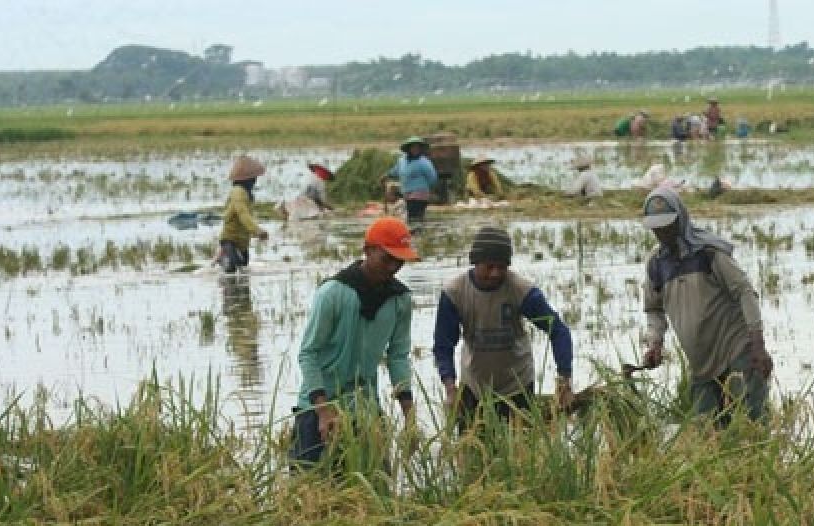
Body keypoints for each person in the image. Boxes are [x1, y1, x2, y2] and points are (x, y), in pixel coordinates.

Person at [290, 217, 419, 467]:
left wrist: (409, 416)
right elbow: (309, 353)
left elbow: (398, 356)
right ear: (368, 250)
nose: (393, 267)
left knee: (377, 488)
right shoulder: (333, 293)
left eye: (399, 261)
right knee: (310, 489)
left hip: (365, 408)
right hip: (318, 408)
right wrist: (323, 410)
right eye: (386, 258)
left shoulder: (400, 300)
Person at [639, 187, 773, 424]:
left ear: (680, 220)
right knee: (706, 433)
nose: (662, 232)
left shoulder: (709, 253)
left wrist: (757, 345)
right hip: (700, 363)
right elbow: (654, 309)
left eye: (667, 225)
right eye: (656, 227)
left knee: (753, 425)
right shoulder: (656, 264)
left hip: (735, 350)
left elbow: (745, 291)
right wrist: (655, 344)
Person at [433, 226, 575, 429]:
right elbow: (443, 345)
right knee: (472, 453)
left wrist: (565, 381)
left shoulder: (521, 291)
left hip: (517, 386)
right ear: (475, 261)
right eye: (489, 266)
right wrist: (450, 387)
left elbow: (558, 331)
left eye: (502, 267)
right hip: (474, 386)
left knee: (521, 453)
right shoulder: (455, 293)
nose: (495, 274)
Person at [217, 155, 268, 273]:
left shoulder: (247, 193)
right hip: (231, 241)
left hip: (242, 243)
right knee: (233, 271)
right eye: (254, 178)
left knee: (243, 271)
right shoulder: (238, 193)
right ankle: (222, 257)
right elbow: (243, 215)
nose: (255, 181)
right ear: (248, 179)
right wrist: (257, 231)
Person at [389, 136, 438, 226]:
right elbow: (395, 171)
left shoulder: (424, 162)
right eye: (413, 147)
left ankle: (417, 234)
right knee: (412, 218)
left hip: (420, 195)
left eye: (417, 147)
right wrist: (386, 175)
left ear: (420, 149)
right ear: (408, 149)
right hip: (407, 194)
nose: (415, 149)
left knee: (414, 217)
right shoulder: (402, 161)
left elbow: (433, 178)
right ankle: (419, 234)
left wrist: (427, 189)